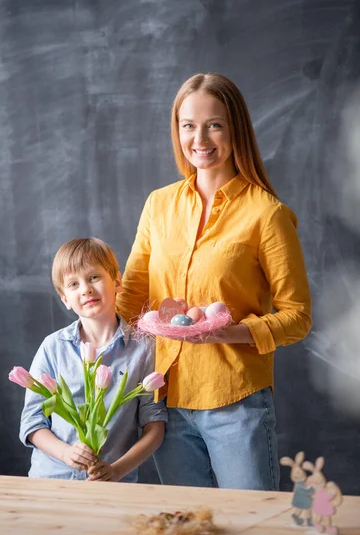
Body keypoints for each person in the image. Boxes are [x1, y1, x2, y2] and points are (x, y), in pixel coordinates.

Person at [116, 73, 312, 490]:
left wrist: (230, 333)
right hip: (164, 403)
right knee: (189, 522)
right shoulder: (159, 205)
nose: (199, 138)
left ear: (235, 128)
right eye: (188, 125)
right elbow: (131, 296)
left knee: (250, 523)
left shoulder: (267, 214)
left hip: (235, 402)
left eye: (214, 124)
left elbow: (298, 317)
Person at [19, 237, 167, 482]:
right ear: (65, 298)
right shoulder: (53, 347)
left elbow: (155, 427)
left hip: (114, 485)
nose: (85, 289)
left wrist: (117, 470)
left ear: (117, 282)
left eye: (94, 278)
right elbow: (32, 423)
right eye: (73, 284)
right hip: (51, 480)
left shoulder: (144, 349)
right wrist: (66, 453)